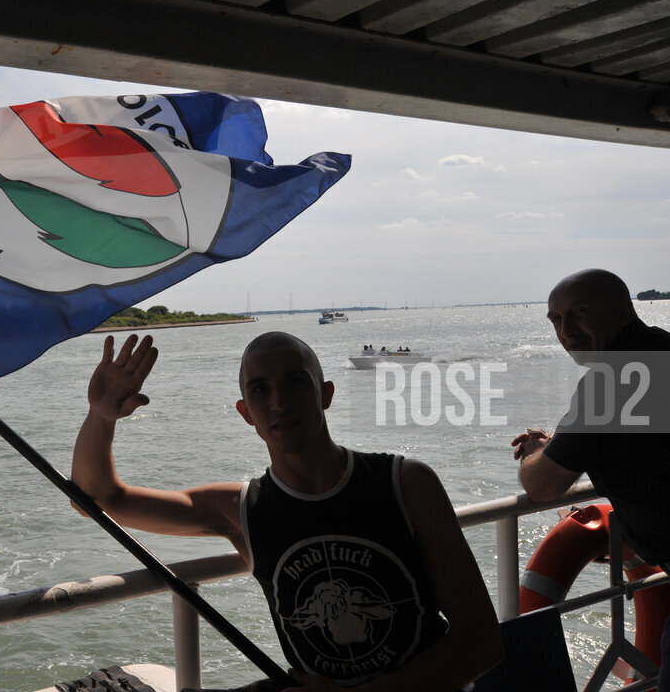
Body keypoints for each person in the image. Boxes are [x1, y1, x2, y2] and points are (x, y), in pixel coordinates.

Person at [72, 332, 502, 691]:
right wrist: (101, 416)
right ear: (246, 413)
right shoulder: (242, 509)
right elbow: (98, 500)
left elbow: (482, 641)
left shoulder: (406, 483)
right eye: (260, 390)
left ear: (326, 394)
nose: (278, 401)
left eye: (295, 382)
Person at [512, 268, 670, 691]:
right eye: (556, 320)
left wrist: (533, 453)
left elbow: (542, 485)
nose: (567, 331)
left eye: (579, 313)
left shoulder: (613, 383)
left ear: (622, 311)